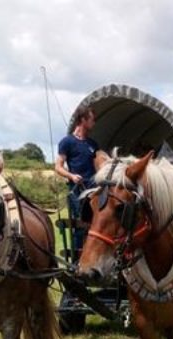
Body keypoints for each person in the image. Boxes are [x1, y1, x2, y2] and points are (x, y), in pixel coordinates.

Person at [54, 106, 101, 259]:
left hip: (94, 190)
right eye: (92, 120)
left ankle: (92, 258)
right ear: (83, 120)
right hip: (77, 191)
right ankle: (75, 263)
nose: (94, 123)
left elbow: (99, 164)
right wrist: (72, 176)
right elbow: (58, 167)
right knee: (80, 226)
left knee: (97, 224)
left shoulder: (93, 144)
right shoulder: (67, 142)